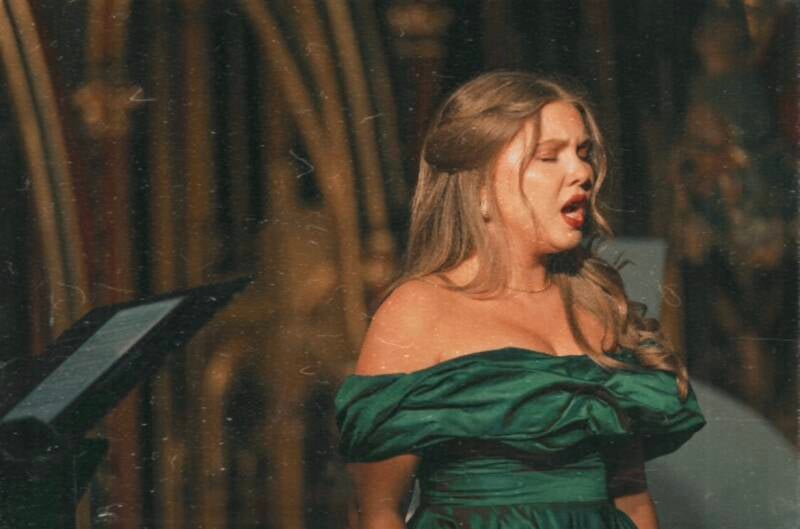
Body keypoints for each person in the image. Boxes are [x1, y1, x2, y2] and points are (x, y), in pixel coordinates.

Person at [335, 71, 706, 529]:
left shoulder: (600, 305)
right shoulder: (417, 310)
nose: (583, 173)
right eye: (549, 156)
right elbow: (375, 513)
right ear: (478, 184)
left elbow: (633, 503)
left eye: (583, 153)